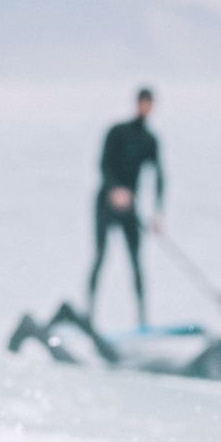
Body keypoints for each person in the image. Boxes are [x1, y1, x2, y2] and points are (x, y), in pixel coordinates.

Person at [6, 297, 221, 386]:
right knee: (100, 364)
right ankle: (36, 330)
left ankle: (76, 318)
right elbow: (214, 375)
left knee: (108, 358)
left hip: (170, 367)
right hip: (164, 369)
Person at [88, 87, 165, 329]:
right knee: (101, 255)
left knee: (136, 261)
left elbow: (160, 176)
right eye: (143, 103)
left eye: (149, 104)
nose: (145, 108)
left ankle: (142, 319)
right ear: (137, 103)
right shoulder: (117, 132)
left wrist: (158, 213)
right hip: (105, 203)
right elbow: (103, 164)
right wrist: (114, 190)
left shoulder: (150, 140)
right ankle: (89, 314)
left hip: (130, 208)